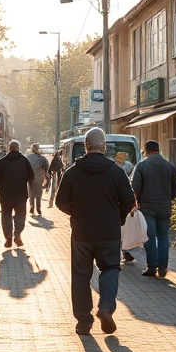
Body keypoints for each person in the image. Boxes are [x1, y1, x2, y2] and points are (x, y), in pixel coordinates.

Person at [56, 127, 135, 335]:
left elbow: (60, 201)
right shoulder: (116, 172)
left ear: (86, 147)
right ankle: (106, 307)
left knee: (81, 275)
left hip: (81, 231)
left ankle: (83, 321)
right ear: (105, 147)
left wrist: (76, 214)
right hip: (109, 231)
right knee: (109, 268)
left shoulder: (72, 172)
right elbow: (129, 199)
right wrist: (118, 217)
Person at [130, 139, 176, 278]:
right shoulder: (169, 166)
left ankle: (152, 267)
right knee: (164, 236)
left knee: (150, 236)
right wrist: (168, 197)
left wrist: (139, 199)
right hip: (164, 207)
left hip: (147, 207)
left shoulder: (141, 165)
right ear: (158, 150)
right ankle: (163, 267)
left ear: (146, 151)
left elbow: (135, 185)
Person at [0, 139, 34, 248]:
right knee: (20, 215)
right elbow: (31, 177)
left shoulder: (2, 162)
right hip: (21, 195)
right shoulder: (24, 161)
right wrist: (31, 192)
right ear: (18, 148)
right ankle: (18, 234)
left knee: (6, 215)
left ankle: (8, 236)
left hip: (5, 195)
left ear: (9, 148)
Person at [114, 151, 137, 263]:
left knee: (123, 232)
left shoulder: (129, 166)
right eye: (120, 156)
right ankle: (124, 251)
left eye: (123, 156)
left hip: (118, 209)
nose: (121, 158)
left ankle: (124, 251)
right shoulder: (114, 168)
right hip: (118, 209)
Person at [24, 143, 50, 215]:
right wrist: (47, 177)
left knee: (31, 194)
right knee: (38, 194)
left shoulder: (27, 157)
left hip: (30, 179)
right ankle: (38, 208)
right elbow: (46, 167)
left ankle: (32, 207)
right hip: (39, 178)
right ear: (38, 148)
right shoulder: (41, 158)